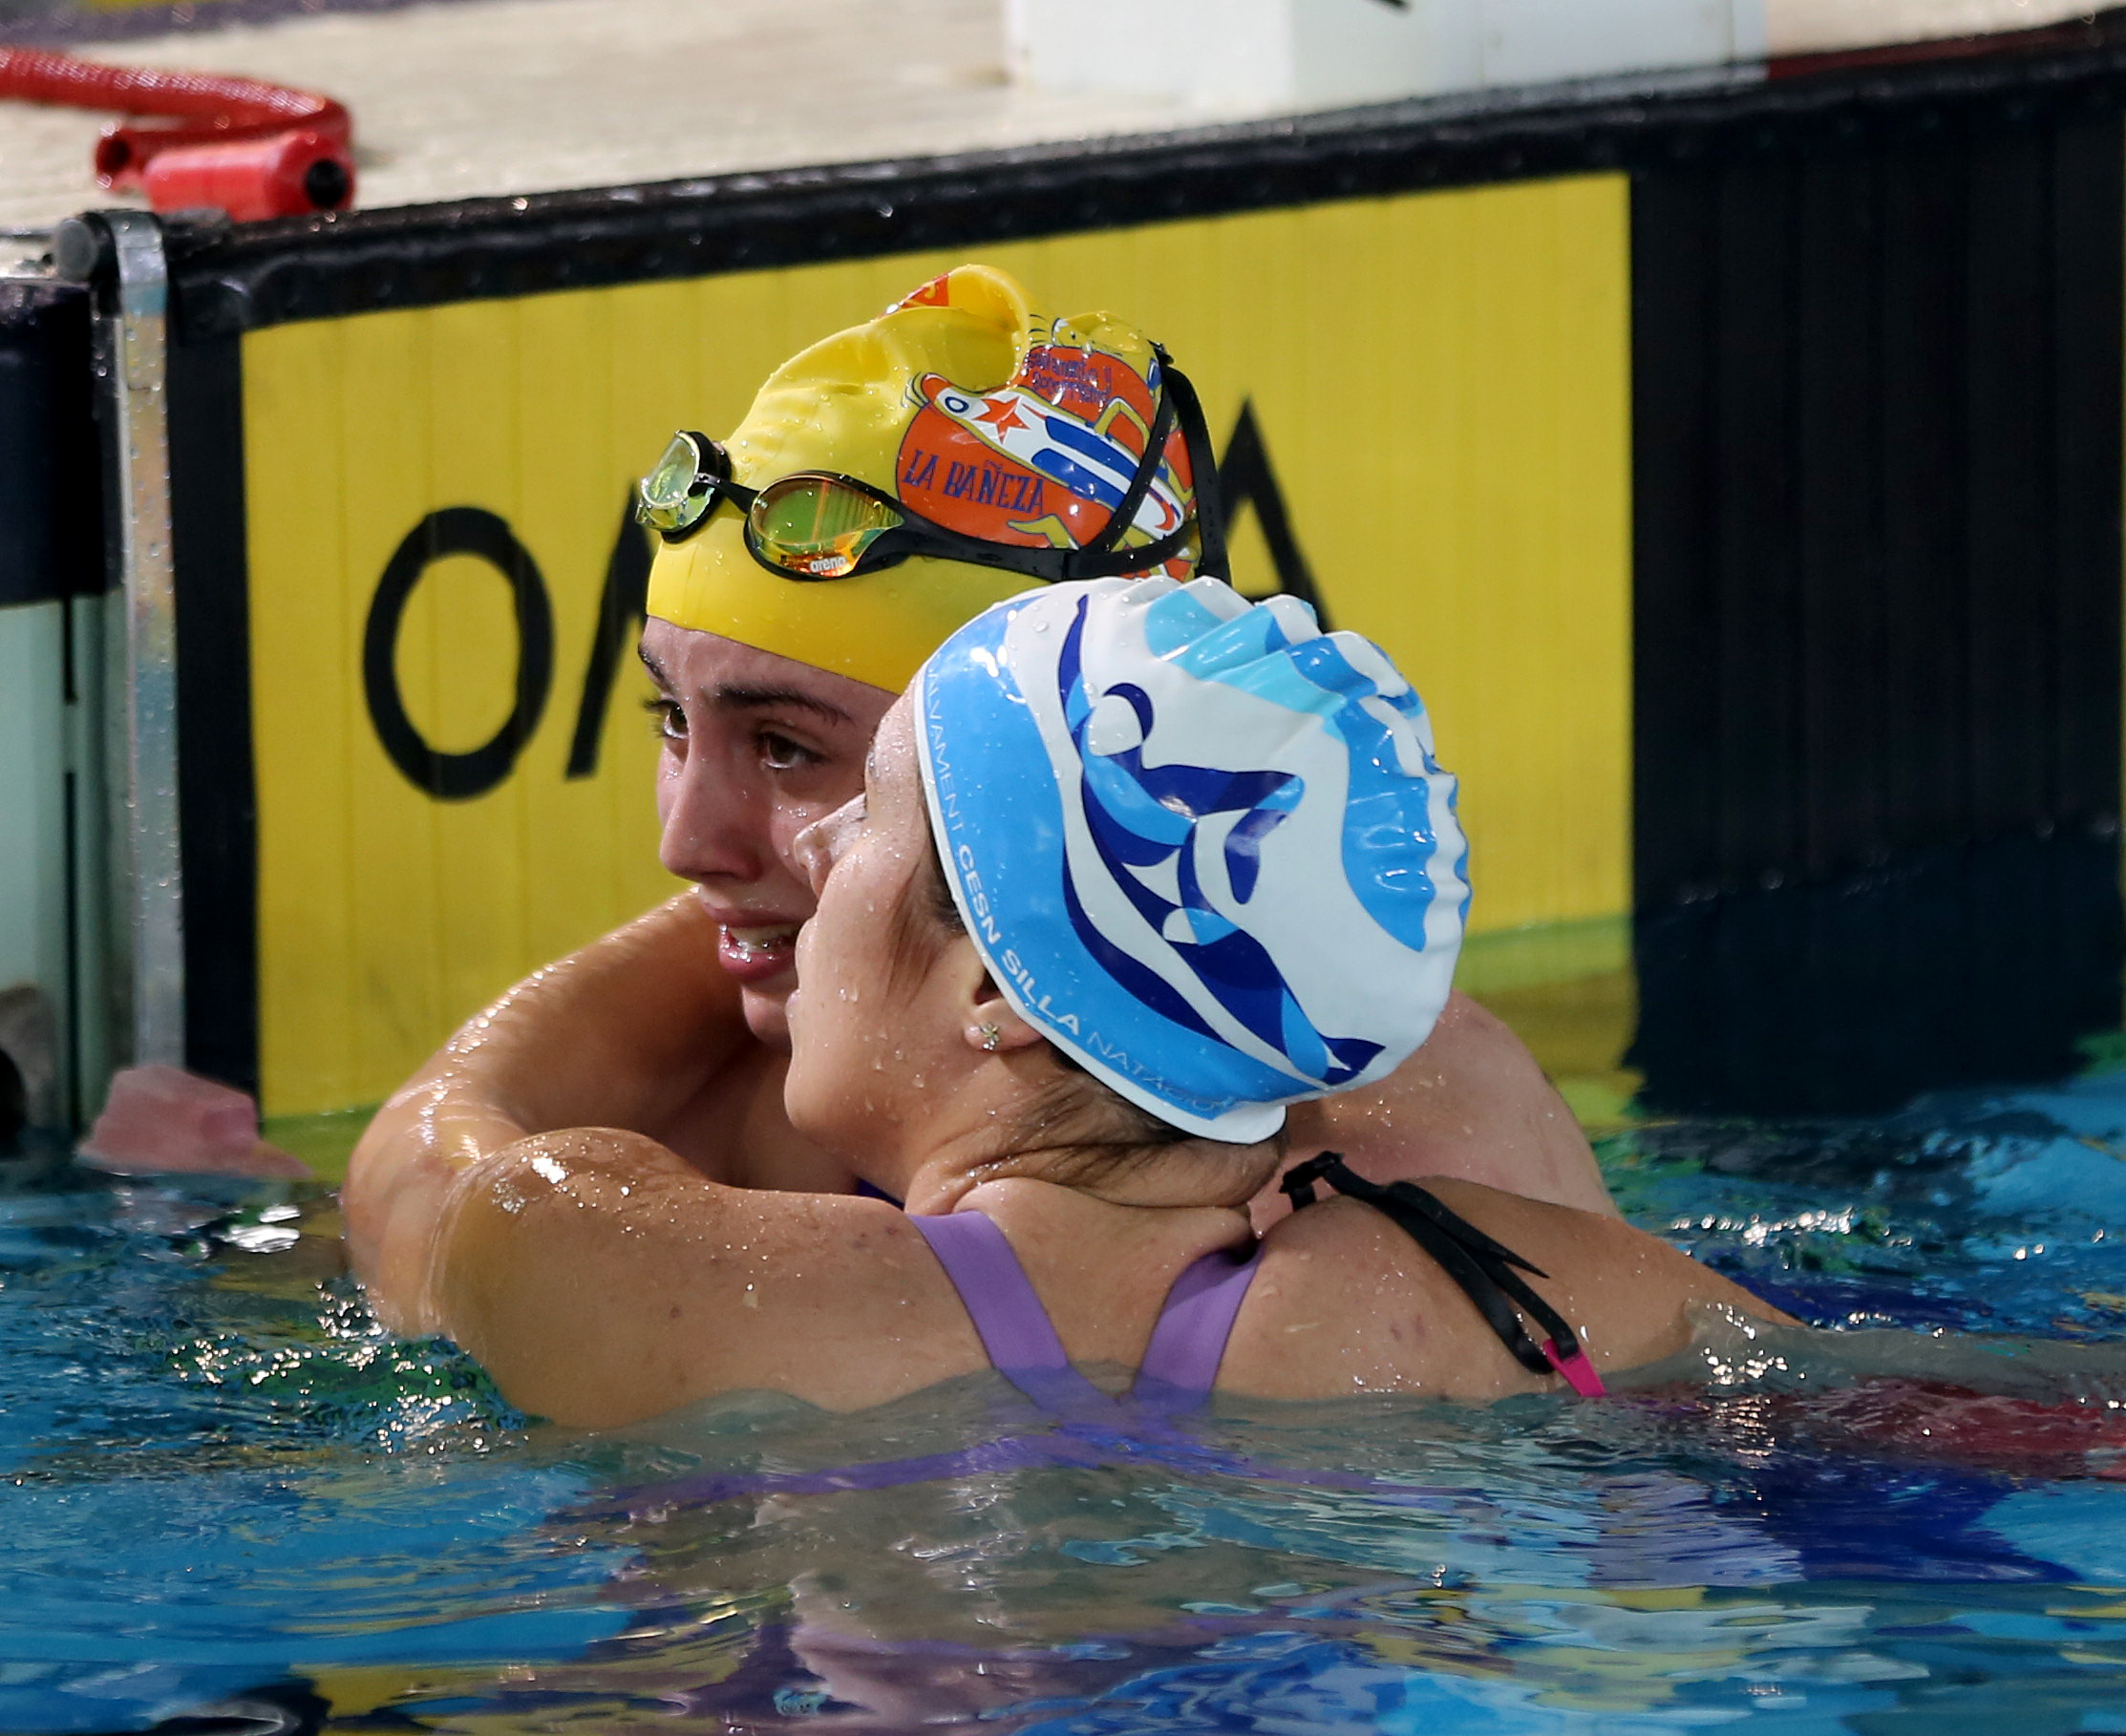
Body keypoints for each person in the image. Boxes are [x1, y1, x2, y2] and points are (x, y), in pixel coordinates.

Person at [344, 265, 1616, 1337]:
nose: (684, 838)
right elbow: (429, 1198)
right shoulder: (742, 1063)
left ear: (1029, 783)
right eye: (672, 720)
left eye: (788, 746)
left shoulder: (1395, 1159)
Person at [419, 576, 1784, 1428]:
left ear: (993, 994)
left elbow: (450, 1186)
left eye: (868, 817)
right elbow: (1910, 1416)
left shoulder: (655, 1272)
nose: (812, 856)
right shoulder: (1488, 1285)